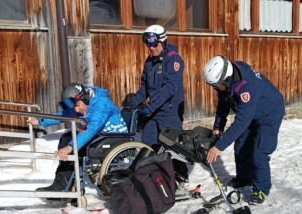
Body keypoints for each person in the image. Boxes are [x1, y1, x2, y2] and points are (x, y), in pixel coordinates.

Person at [203, 55, 285, 205]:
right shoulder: (227, 79)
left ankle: (261, 189)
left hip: (269, 115)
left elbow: (241, 122)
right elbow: (223, 105)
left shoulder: (246, 87)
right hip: (251, 114)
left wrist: (218, 147)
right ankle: (244, 178)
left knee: (259, 152)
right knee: (241, 145)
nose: (215, 89)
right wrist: (218, 127)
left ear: (226, 79)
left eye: (216, 86)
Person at [27, 83, 128, 192]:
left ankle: (63, 185)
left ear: (85, 98)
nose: (76, 109)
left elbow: (92, 128)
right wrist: (40, 121)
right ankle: (63, 183)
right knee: (67, 137)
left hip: (114, 139)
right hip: (101, 137)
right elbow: (65, 114)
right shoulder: (85, 103)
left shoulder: (102, 105)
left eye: (78, 105)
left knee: (70, 142)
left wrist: (70, 147)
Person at [129, 24, 188, 181]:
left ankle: (180, 177)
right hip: (153, 110)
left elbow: (170, 87)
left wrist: (151, 106)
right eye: (148, 44)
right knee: (149, 142)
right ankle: (154, 175)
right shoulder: (150, 62)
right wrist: (133, 102)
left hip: (169, 111)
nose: (151, 48)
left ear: (163, 41)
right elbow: (145, 87)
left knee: (172, 145)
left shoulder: (173, 59)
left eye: (154, 44)